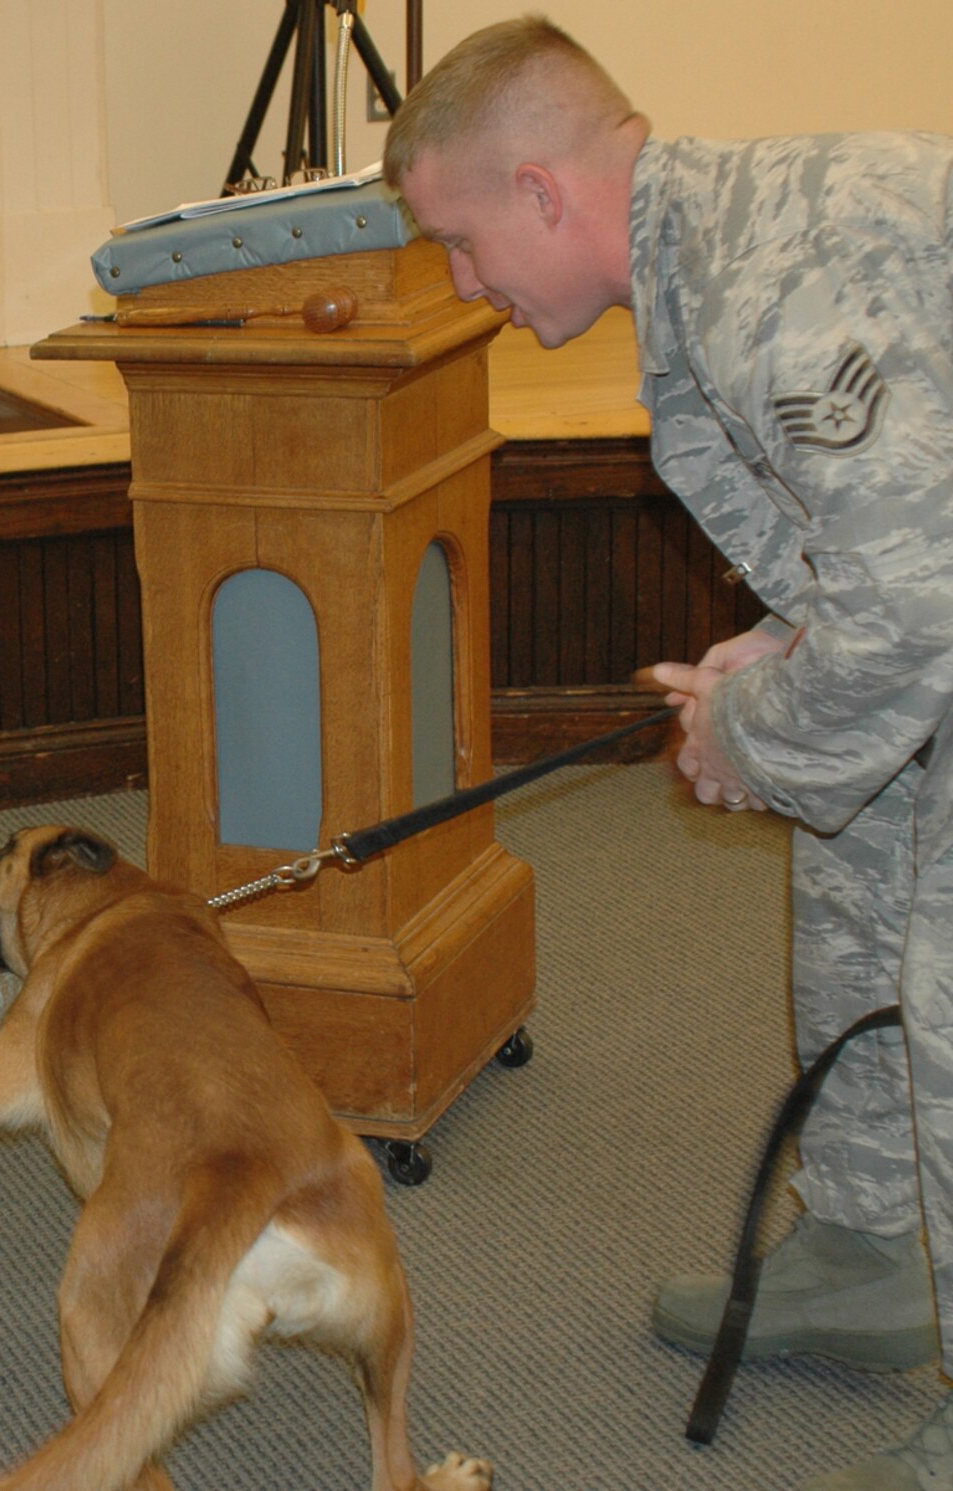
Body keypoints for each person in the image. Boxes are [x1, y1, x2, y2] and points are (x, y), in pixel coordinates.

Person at [385, 19, 953, 1490]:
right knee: (858, 881)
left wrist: (750, 733)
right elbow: (881, 547)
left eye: (458, 242)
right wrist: (778, 651)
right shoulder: (710, 251)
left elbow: (908, 614)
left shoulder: (775, 283)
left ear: (542, 193)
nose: (465, 286)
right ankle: (868, 1249)